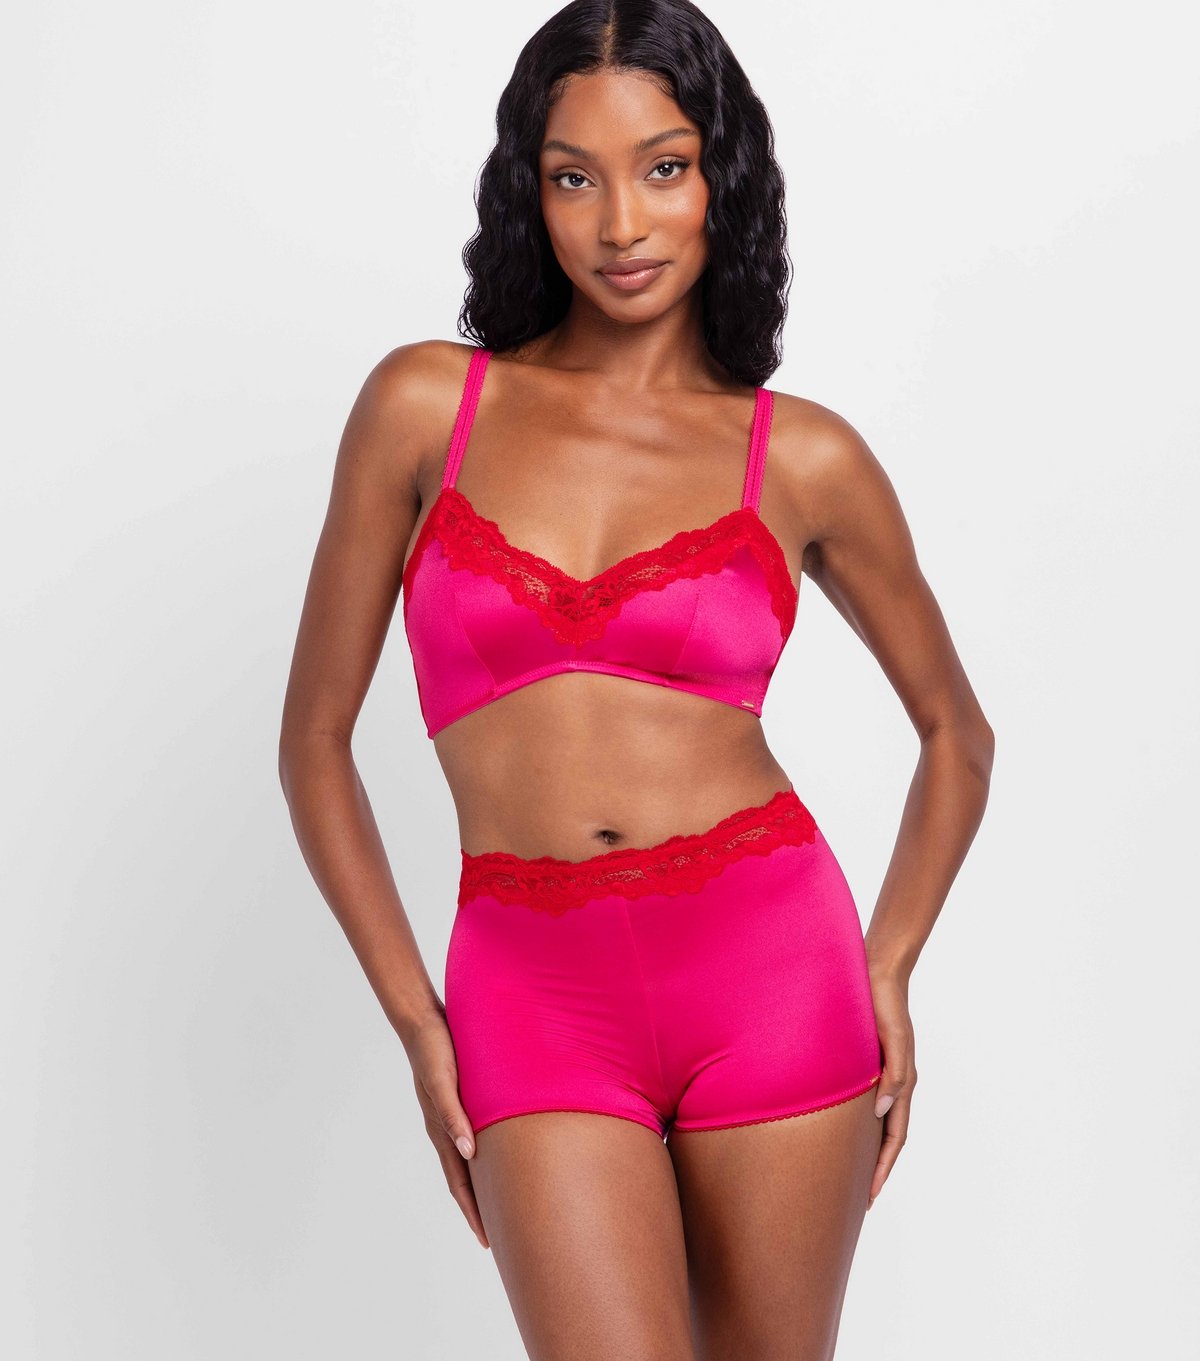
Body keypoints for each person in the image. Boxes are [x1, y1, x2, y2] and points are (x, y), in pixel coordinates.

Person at [278, 2, 994, 1356]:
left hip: (772, 970)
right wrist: (418, 1023)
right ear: (528, 190)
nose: (621, 225)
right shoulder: (425, 408)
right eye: (575, 177)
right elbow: (314, 742)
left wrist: (888, 964)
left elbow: (957, 732)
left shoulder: (802, 456)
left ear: (724, 175)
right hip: (529, 991)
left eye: (664, 168)